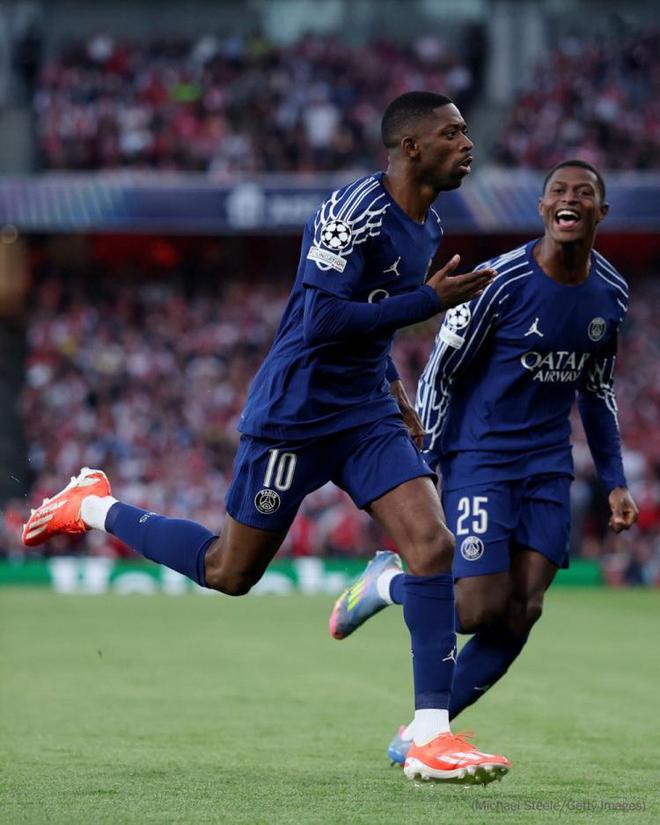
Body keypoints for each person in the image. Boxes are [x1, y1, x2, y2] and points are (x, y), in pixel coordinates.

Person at [22, 92, 510, 785]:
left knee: (431, 545)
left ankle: (430, 734)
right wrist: (428, 301)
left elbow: (372, 323)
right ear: (410, 146)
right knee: (229, 571)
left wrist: (398, 395)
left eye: (466, 131)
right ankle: (92, 504)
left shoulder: (428, 223)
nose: (467, 144)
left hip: (364, 413)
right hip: (295, 414)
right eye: (452, 133)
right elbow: (322, 321)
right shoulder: (351, 214)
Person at [329, 159, 639, 764]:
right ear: (543, 209)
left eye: (583, 193)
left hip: (549, 467)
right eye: (558, 191)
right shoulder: (499, 281)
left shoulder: (611, 293)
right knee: (475, 609)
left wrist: (615, 481)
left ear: (600, 212)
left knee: (523, 609)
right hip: (482, 458)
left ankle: (421, 733)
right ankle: (386, 583)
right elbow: (441, 372)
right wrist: (424, 460)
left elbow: (597, 390)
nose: (570, 198)